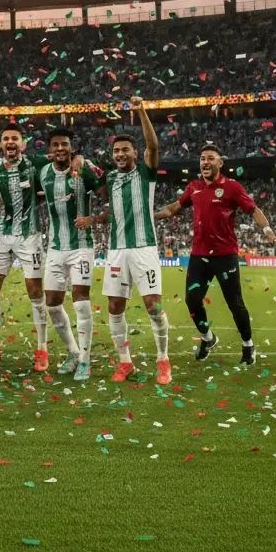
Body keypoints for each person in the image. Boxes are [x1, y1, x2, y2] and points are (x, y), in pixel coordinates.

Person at [155, 145, 276, 366]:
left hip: (225, 256)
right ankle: (207, 338)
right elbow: (173, 208)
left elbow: (253, 209)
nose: (205, 162)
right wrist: (151, 216)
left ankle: (248, 344)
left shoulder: (231, 187)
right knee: (192, 301)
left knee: (235, 304)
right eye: (202, 158)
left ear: (220, 163)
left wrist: (266, 229)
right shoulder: (194, 187)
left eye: (211, 158)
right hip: (198, 256)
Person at [100, 97, 171, 385]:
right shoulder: (108, 179)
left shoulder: (145, 172)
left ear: (134, 152)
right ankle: (125, 363)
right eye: (116, 150)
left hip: (144, 249)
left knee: (153, 306)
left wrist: (141, 110)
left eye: (125, 150)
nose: (119, 154)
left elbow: (153, 146)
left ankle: (163, 359)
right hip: (116, 251)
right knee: (115, 308)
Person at [0, 124, 52, 370]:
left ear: (23, 144)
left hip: (30, 236)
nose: (10, 142)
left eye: (15, 138)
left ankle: (42, 350)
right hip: (1, 236)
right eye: (6, 139)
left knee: (34, 291)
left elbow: (62, 162)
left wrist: (79, 159)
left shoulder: (35, 163)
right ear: (0, 144)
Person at [40, 130, 104, 381]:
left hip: (81, 247)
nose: (60, 148)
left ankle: (86, 360)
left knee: (80, 300)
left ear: (71, 147)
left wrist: (94, 218)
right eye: (55, 144)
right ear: (50, 149)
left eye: (65, 144)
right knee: (52, 304)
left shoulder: (84, 169)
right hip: (55, 248)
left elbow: (104, 195)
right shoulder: (43, 172)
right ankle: (73, 352)